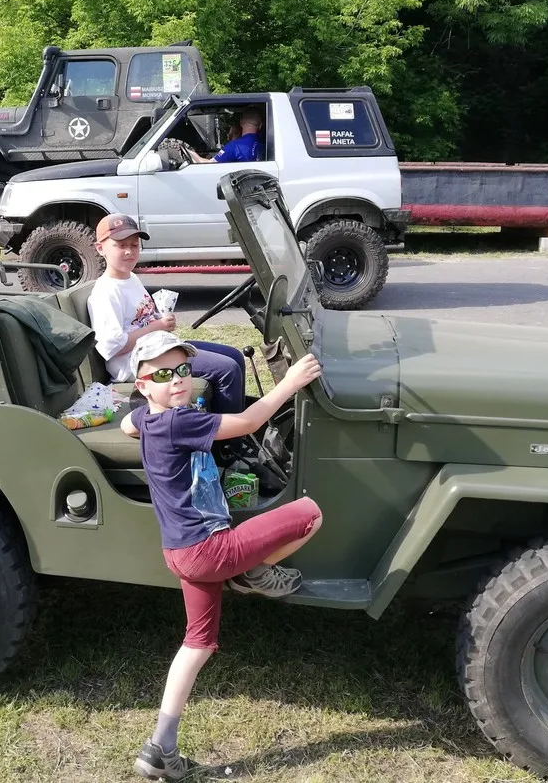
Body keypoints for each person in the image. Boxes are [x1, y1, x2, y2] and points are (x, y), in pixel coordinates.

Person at [122, 331, 324, 780]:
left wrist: (135, 416)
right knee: (310, 513)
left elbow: (128, 423)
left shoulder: (150, 420)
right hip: (210, 549)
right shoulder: (180, 423)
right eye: (163, 374)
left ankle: (159, 749)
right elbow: (250, 422)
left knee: (198, 645)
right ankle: (253, 573)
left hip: (180, 551)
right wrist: (290, 381)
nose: (177, 380)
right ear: (143, 384)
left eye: (183, 371)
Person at [87, 213, 246, 413]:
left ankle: (239, 430)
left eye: (134, 245)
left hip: (158, 348)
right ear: (101, 248)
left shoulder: (131, 279)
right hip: (137, 363)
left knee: (235, 356)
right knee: (227, 370)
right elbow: (112, 346)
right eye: (120, 245)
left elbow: (142, 319)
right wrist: (157, 326)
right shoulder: (106, 292)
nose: (129, 251)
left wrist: (160, 320)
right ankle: (229, 440)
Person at [187, 108, 264, 164]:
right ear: (260, 125)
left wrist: (189, 152)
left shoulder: (235, 146)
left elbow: (209, 165)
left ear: (241, 123)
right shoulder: (264, 144)